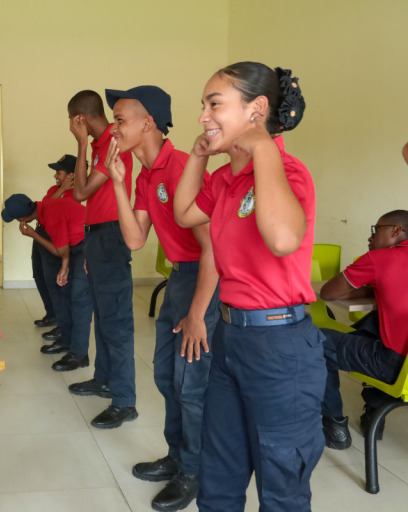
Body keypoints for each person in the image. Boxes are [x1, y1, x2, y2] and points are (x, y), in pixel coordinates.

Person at [173, 62, 324, 511]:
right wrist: (198, 157)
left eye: (214, 104)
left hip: (281, 347)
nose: (203, 116)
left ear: (256, 109)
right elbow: (184, 214)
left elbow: (281, 239)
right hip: (232, 337)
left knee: (281, 486)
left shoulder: (289, 174)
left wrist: (261, 148)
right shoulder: (224, 181)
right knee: (219, 474)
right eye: (203, 105)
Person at [104, 86, 221, 511]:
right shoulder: (144, 174)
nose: (113, 129)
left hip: (204, 281)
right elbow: (135, 240)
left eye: (119, 120)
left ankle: (194, 470)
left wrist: (197, 313)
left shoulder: (180, 168)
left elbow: (214, 248)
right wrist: (118, 184)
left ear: (147, 122)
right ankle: (177, 457)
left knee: (192, 386)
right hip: (179, 278)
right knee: (165, 378)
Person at [66, 90, 136, 429]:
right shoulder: (100, 145)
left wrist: (79, 144)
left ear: (79, 119)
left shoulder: (112, 142)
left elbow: (80, 192)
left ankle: (124, 400)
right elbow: (85, 200)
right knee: (103, 316)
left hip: (110, 233)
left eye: (71, 121)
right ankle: (104, 379)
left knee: (116, 321)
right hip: (97, 234)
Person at [319, 210, 408, 449]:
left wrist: (373, 287)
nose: (371, 237)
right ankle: (374, 410)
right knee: (374, 322)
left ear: (395, 231)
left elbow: (328, 292)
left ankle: (334, 424)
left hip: (393, 366)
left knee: (315, 342)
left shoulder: (381, 258)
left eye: (376, 230)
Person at [2, 172, 92, 372]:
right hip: (77, 245)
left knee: (79, 300)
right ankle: (67, 341)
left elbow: (61, 250)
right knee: (65, 292)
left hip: (89, 244)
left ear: (22, 218)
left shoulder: (49, 214)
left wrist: (33, 234)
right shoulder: (44, 207)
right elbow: (65, 250)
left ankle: (79, 354)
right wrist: (65, 264)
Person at [33, 156, 77, 336]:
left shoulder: (77, 193)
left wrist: (64, 189)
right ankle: (51, 314)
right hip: (42, 233)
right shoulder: (54, 189)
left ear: (70, 175)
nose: (55, 176)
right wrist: (61, 189)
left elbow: (48, 207)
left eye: (58, 172)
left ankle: (62, 324)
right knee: (39, 276)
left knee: (55, 282)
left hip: (57, 239)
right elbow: (44, 209)